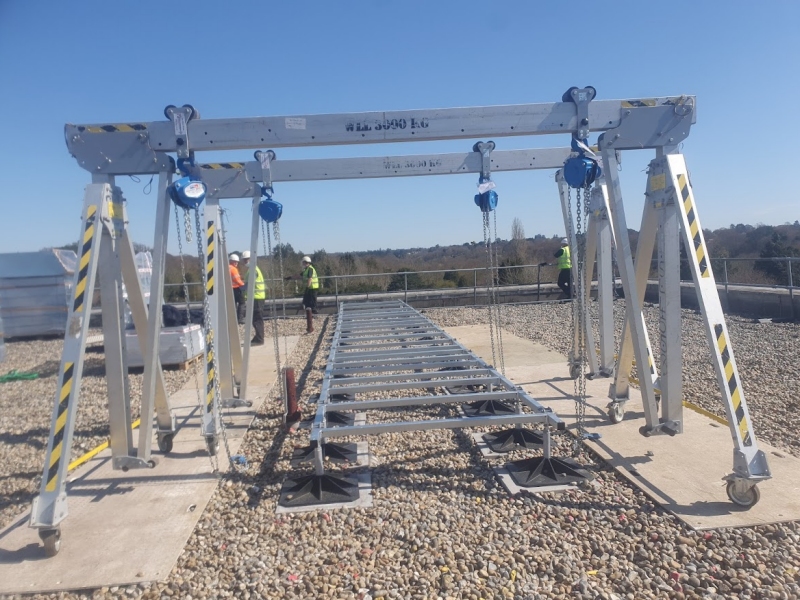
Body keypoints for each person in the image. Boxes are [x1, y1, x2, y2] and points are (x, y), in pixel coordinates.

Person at [239, 251, 266, 346]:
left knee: (257, 319)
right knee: (256, 318)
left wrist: (239, 288)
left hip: (257, 297)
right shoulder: (253, 269)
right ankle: (258, 337)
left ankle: (259, 339)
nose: (245, 262)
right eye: (244, 260)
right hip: (257, 297)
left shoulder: (253, 270)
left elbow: (249, 285)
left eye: (246, 260)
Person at [288, 256, 319, 333]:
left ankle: (314, 315)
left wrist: (308, 287)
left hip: (312, 288)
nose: (302, 264)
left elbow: (310, 278)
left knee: (312, 302)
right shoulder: (306, 270)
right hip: (309, 288)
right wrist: (290, 277)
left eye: (303, 262)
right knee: (306, 301)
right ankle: (310, 316)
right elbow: (299, 276)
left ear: (305, 262)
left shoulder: (310, 269)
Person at [228, 254, 246, 324]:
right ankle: (240, 318)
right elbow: (237, 280)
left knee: (233, 304)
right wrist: (243, 285)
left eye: (237, 262)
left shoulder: (226, 268)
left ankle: (232, 319)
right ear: (231, 261)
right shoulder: (233, 269)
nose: (236, 263)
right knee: (242, 303)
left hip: (229, 289)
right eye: (235, 262)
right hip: (236, 289)